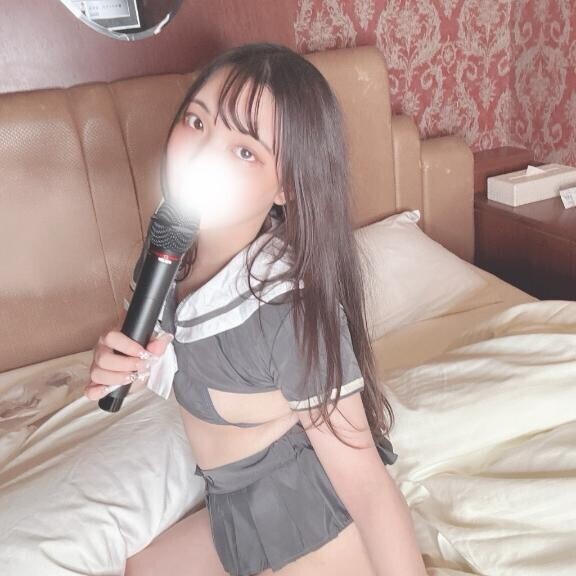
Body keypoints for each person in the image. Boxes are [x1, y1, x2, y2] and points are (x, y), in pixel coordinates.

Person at [84, 42, 427, 576]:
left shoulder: (285, 310)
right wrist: (119, 362)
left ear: (286, 185)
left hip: (305, 524)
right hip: (232, 512)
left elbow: (367, 486)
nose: (202, 155)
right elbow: (179, 358)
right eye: (197, 122)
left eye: (244, 151)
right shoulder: (169, 246)